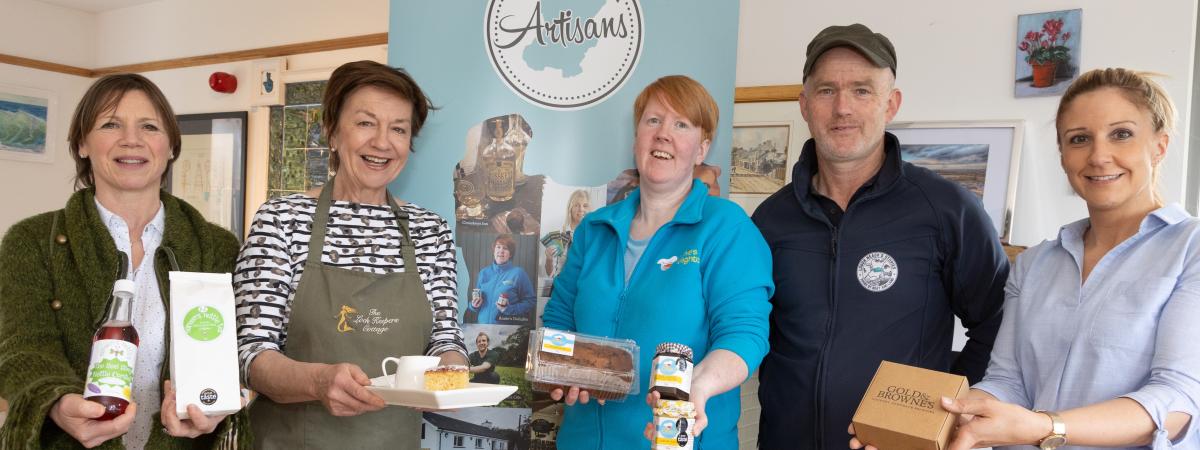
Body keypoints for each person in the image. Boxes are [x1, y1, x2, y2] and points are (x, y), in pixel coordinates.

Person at [876, 68, 1197, 450]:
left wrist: (1045, 427)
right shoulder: (1034, 264)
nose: (1099, 155)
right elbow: (1007, 381)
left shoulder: (1189, 248)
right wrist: (938, 426)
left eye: (1121, 134)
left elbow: (1178, 401)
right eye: (1079, 139)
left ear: (1159, 145)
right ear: (1063, 156)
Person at [751, 24, 1008, 449]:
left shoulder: (946, 209)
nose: (843, 108)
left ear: (892, 104)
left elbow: (999, 324)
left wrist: (946, 414)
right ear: (804, 104)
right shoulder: (770, 219)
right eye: (827, 90)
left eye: (862, 90)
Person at [0, 74, 249, 449]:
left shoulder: (216, 247)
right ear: (82, 143)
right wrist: (58, 403)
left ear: (170, 147)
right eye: (111, 124)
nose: (131, 139)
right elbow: (21, 348)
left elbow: (239, 356)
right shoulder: (33, 242)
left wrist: (219, 408)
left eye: (149, 126)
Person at [234, 60, 468, 450]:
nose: (382, 142)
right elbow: (251, 355)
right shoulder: (282, 220)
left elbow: (445, 336)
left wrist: (452, 371)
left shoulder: (431, 231)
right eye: (365, 123)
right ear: (331, 130)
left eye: (398, 129)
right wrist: (317, 382)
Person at [542, 75, 774, 449]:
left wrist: (699, 385)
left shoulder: (727, 228)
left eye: (681, 124)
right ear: (636, 139)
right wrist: (561, 371)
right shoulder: (594, 229)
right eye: (653, 121)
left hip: (677, 439)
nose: (663, 134)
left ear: (702, 149)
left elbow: (744, 335)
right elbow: (560, 320)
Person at [468, 234, 536, 324]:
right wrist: (473, 305)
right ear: (494, 251)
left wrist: (509, 309)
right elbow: (476, 300)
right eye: (498, 247)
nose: (501, 251)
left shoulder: (518, 273)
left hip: (505, 331)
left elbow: (531, 301)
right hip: (483, 330)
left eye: (505, 248)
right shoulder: (484, 273)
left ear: (510, 254)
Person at [542, 189, 591, 281]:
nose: (581, 209)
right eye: (576, 205)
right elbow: (550, 273)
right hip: (561, 286)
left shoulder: (592, 235)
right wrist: (549, 258)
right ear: (570, 208)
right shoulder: (560, 234)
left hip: (582, 288)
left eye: (585, 206)